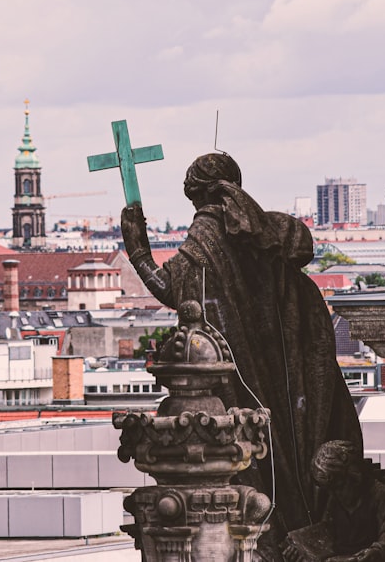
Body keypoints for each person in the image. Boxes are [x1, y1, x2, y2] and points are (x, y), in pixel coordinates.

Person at [120, 152, 363, 556]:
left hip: (237, 369)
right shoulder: (262, 229)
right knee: (280, 447)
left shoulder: (209, 231)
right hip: (281, 371)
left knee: (252, 459)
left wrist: (138, 249)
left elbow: (172, 288)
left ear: (196, 195)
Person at [282, 440, 385, 562]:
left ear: (354, 477)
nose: (334, 494)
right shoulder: (336, 500)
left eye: (338, 487)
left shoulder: (380, 494)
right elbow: (328, 530)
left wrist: (375, 552)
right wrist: (301, 545)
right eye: (330, 490)